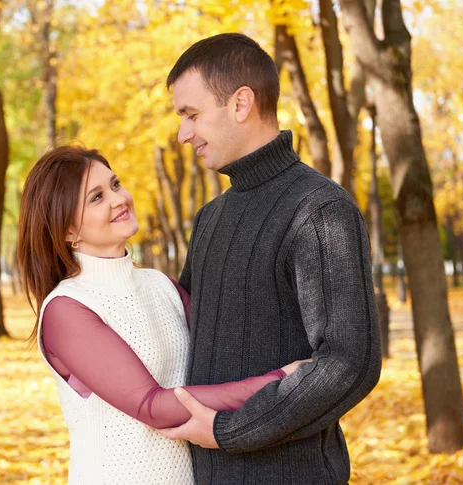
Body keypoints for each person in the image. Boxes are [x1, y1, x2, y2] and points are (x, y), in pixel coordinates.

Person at [158, 33, 382, 485]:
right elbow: (183, 339)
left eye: (191, 115)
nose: (183, 135)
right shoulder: (209, 219)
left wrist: (229, 431)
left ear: (240, 103)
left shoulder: (318, 210)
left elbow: (349, 362)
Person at [16, 145, 311, 484]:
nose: (118, 199)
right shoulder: (67, 309)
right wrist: (281, 380)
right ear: (68, 231)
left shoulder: (160, 285)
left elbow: (222, 348)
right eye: (96, 198)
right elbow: (153, 407)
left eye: (115, 184)